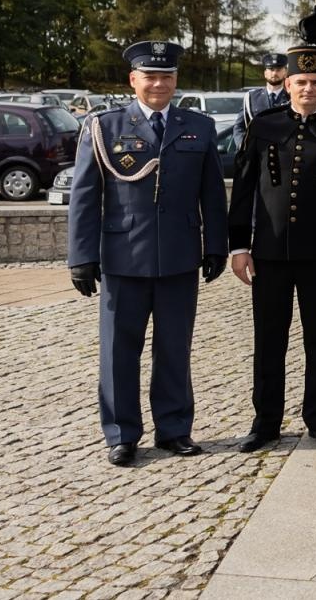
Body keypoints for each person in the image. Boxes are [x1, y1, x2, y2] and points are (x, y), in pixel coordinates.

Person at [67, 41, 228, 466]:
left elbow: (212, 193)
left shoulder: (199, 126)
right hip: (123, 257)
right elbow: (85, 196)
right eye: (150, 76)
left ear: (176, 80)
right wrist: (81, 256)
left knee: (174, 348)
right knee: (119, 351)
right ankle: (122, 434)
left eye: (166, 76)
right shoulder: (105, 126)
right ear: (133, 80)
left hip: (179, 256)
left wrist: (216, 246)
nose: (159, 84)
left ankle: (174, 430)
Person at [227, 31, 316, 452]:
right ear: (287, 84)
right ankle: (265, 422)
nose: (308, 89)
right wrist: (239, 246)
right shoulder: (263, 127)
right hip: (269, 254)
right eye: (301, 82)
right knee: (269, 340)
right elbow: (243, 190)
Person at [232, 52, 290, 152]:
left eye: (278, 70)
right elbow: (239, 126)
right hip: (258, 153)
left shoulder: (292, 98)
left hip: (285, 153)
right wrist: (242, 145)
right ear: (265, 73)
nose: (274, 73)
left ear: (285, 72)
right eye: (271, 69)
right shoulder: (251, 97)